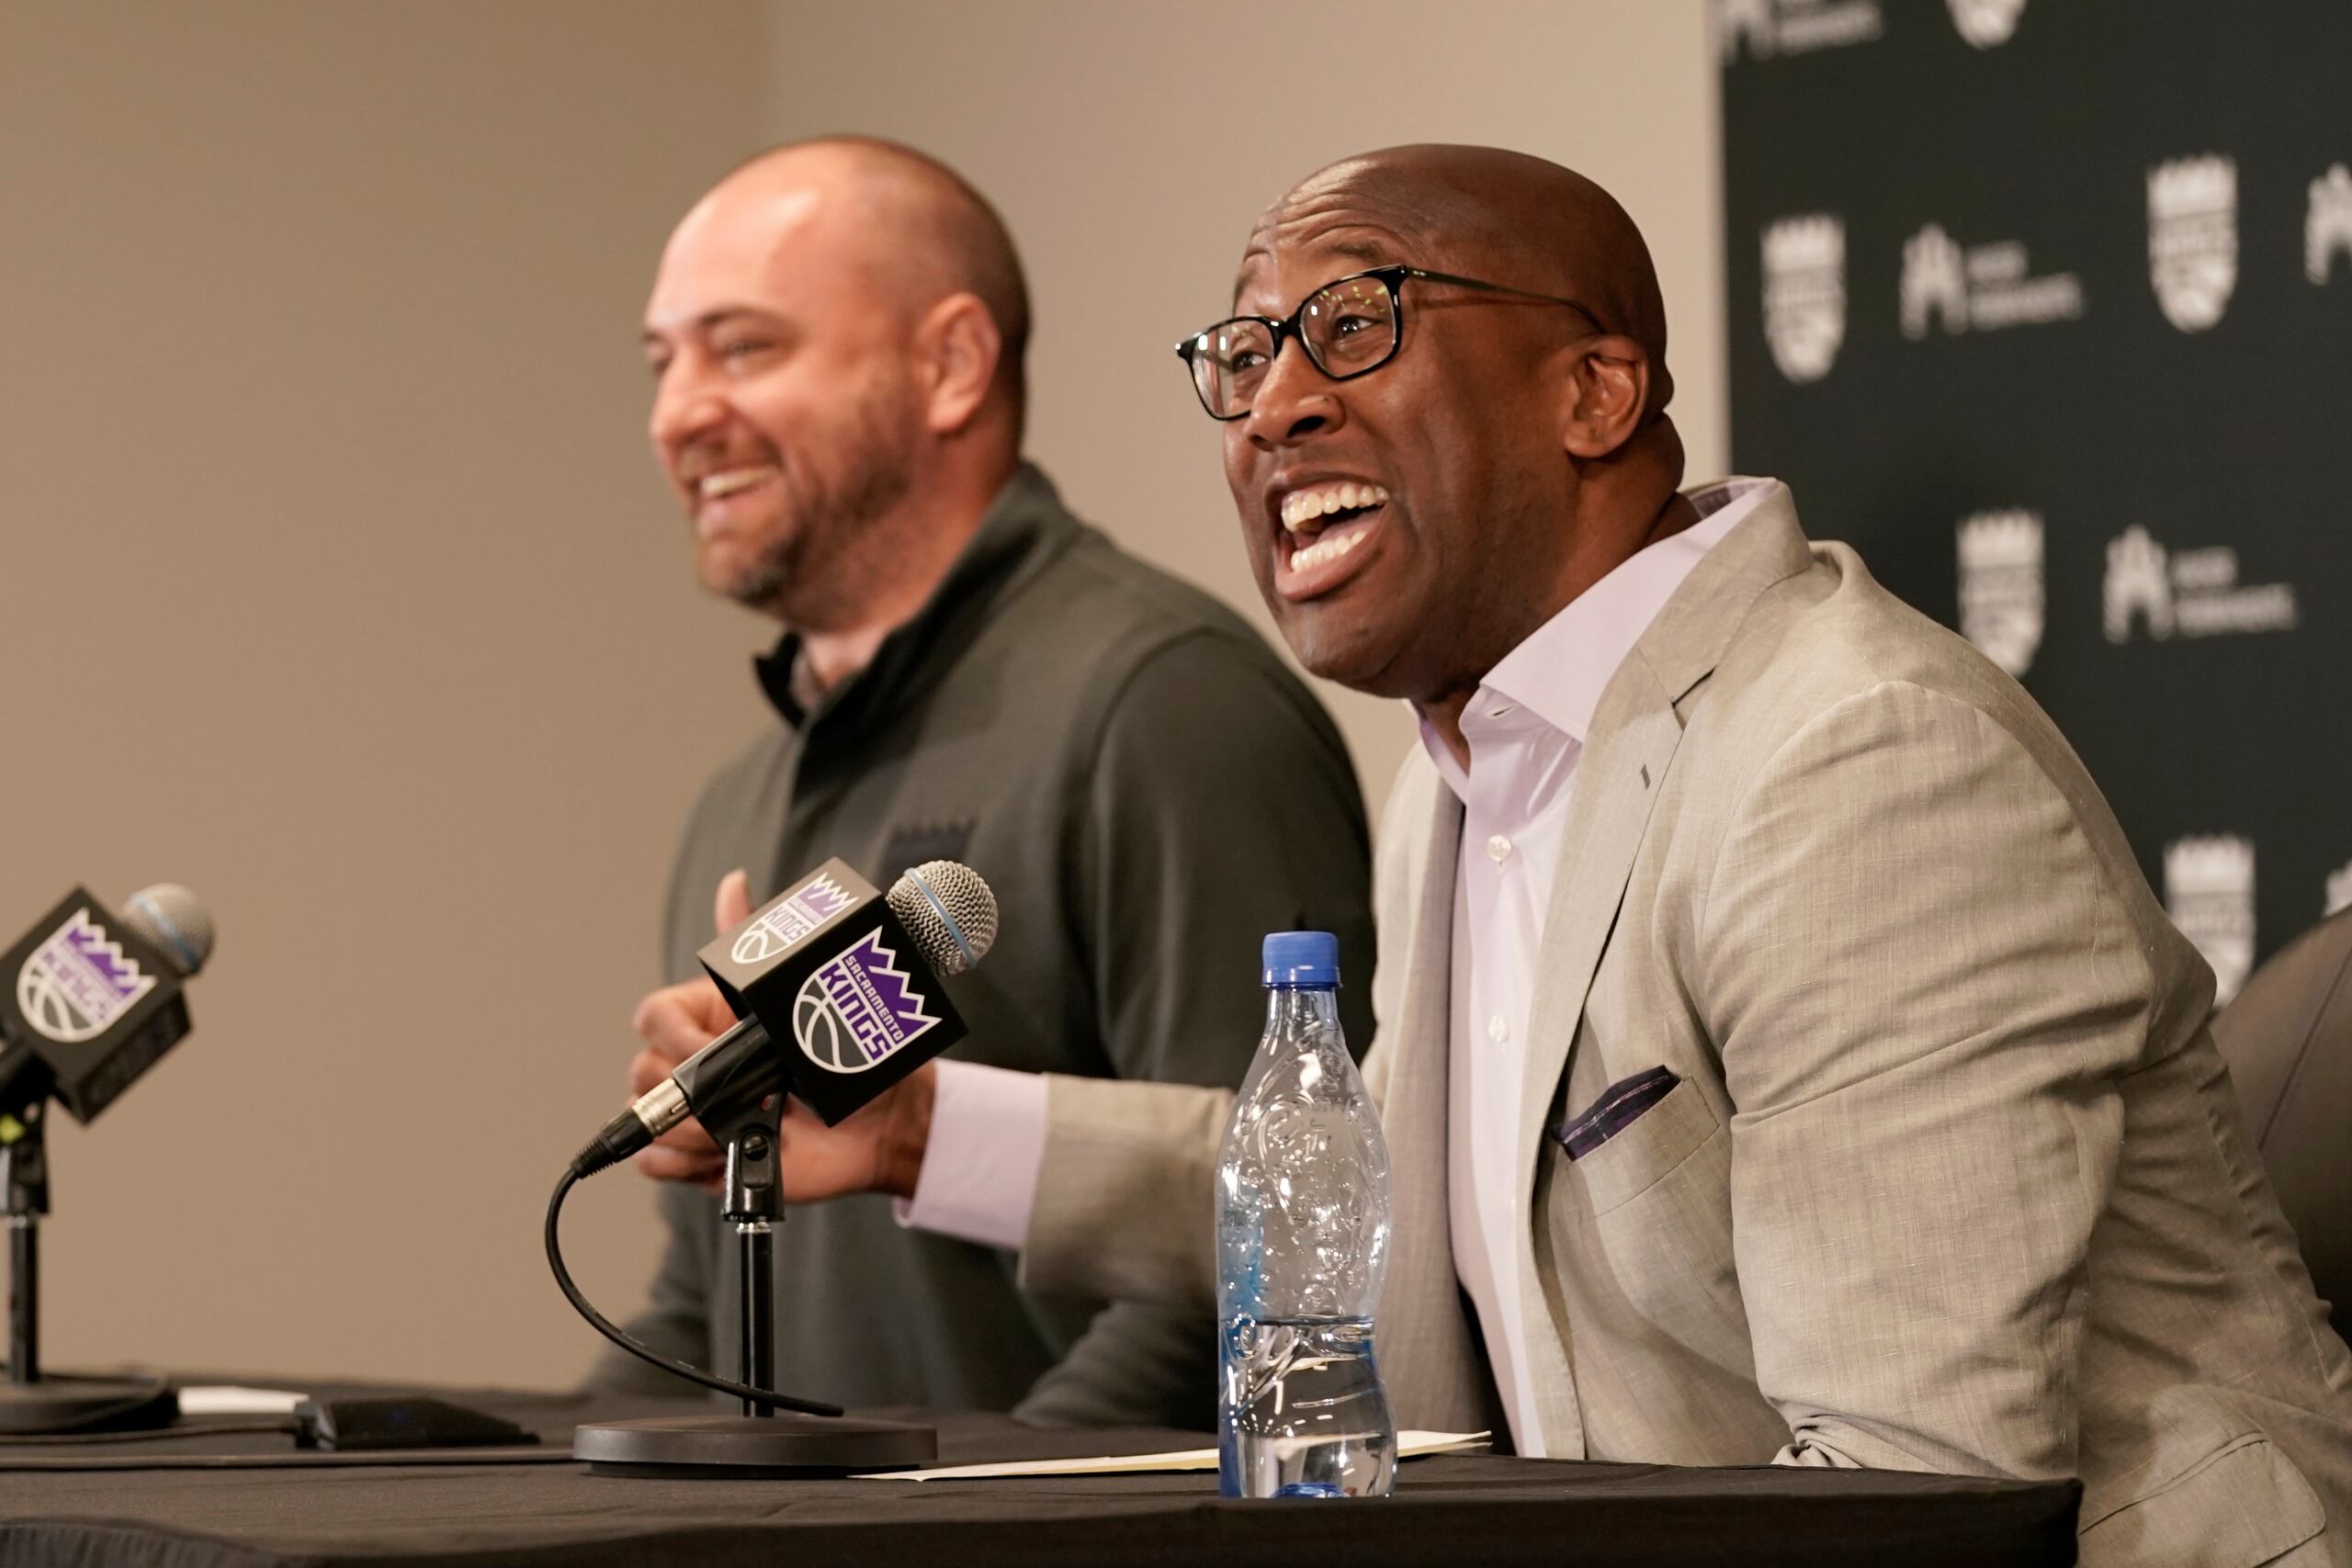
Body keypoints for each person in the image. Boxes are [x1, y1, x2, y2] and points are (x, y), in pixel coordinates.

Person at [763, 145, 2352, 1562]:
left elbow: (1914, 1491)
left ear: (1594, 394)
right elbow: (1356, 1191)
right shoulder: (1462, 770)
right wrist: (915, 1131)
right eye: (1243, 356)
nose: (1274, 407)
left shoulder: (1852, 758)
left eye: (1357, 322)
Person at [589, 137, 1376, 1427]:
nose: (679, 413)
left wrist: (967, 1519)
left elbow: (1278, 1231)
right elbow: (705, 1310)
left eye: (743, 349)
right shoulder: (743, 794)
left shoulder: (1163, 704)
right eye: (664, 364)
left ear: (949, 364)